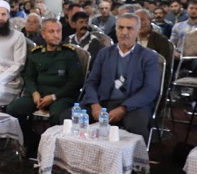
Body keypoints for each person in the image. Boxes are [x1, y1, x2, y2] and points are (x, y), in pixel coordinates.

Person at [63, 13, 159, 143]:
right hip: (103, 102)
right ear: (116, 30)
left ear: (138, 31)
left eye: (129, 28)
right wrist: (94, 104)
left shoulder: (148, 56)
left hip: (133, 105)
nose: (124, 32)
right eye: (121, 28)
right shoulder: (104, 53)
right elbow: (91, 82)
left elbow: (150, 90)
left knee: (136, 127)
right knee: (67, 117)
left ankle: (134, 156)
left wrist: (123, 108)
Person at [6, 18, 84, 159]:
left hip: (61, 96)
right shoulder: (36, 54)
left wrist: (54, 97)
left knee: (57, 115)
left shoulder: (69, 54)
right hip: (38, 94)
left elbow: (75, 82)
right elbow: (29, 77)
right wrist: (34, 93)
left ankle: (52, 150)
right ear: (43, 34)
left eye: (58, 31)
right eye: (51, 31)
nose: (56, 35)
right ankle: (31, 140)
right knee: (13, 109)